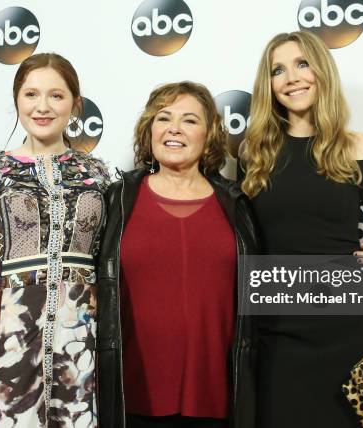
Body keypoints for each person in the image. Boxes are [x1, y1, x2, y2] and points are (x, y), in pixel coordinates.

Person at [238, 31, 363, 428]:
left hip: (352, 336)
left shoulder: (362, 148)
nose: (292, 77)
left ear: (322, 71)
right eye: (278, 70)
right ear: (268, 85)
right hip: (278, 339)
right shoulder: (253, 155)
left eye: (302, 64)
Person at [0, 53, 110, 427]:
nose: (43, 107)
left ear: (75, 105)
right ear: (17, 99)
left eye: (56, 96)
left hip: (83, 347)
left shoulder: (100, 176)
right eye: (31, 94)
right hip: (5, 343)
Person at [95, 81, 258, 428]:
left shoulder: (237, 204)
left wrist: (355, 268)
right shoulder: (116, 200)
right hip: (131, 399)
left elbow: (266, 284)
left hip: (219, 400)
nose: (174, 129)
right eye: (163, 118)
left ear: (209, 134)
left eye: (189, 120)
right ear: (149, 129)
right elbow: (76, 271)